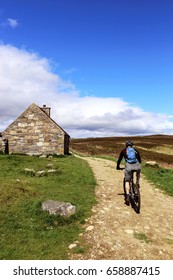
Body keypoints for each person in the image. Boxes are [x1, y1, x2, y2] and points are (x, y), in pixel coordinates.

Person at [116, 140, 141, 205]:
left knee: (127, 181)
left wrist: (118, 166)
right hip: (137, 165)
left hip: (128, 167)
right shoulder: (135, 150)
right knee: (138, 171)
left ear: (126, 145)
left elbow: (119, 160)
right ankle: (137, 182)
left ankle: (127, 195)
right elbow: (140, 160)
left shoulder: (124, 151)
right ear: (132, 145)